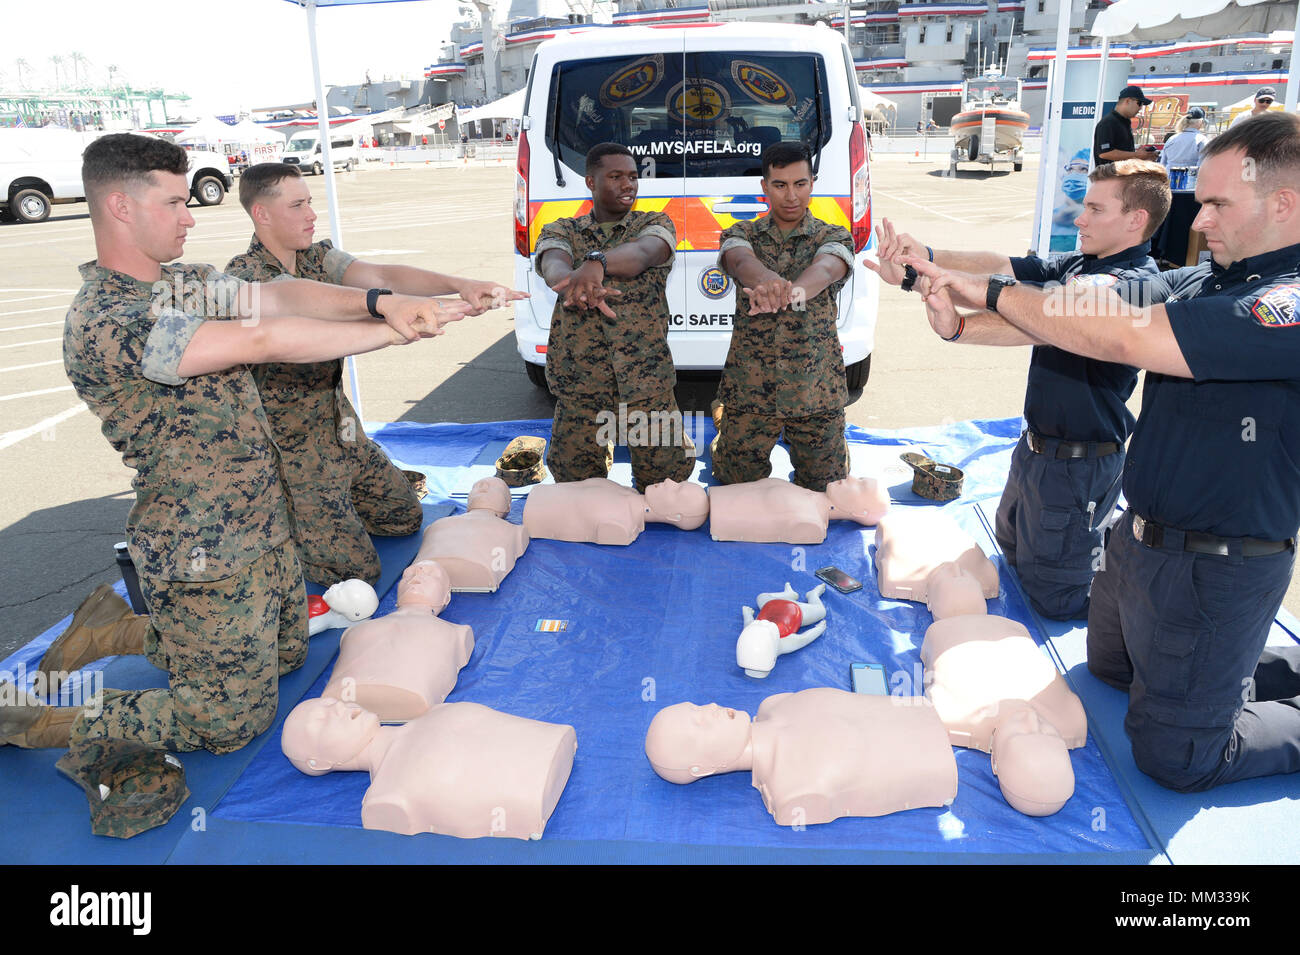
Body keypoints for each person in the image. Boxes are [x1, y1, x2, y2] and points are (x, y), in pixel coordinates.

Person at [0, 133, 469, 755]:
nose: (189, 216)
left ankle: (117, 632)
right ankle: (32, 716)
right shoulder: (105, 321)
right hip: (200, 544)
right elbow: (259, 339)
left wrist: (383, 301)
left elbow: (277, 296)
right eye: (171, 203)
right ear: (120, 207)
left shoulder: (179, 284)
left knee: (284, 655)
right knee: (226, 722)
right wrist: (388, 332)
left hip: (262, 521)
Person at [904, 112, 1300, 793]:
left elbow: (1125, 338)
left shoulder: (1282, 303)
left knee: (1177, 756)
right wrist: (960, 318)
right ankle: (1222, 667)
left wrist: (992, 292)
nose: (1199, 220)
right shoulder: (1211, 279)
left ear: (1283, 204)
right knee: (1113, 669)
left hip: (1221, 565)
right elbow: (1080, 320)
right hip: (1139, 545)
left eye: (1216, 203)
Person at [867, 160, 1171, 619]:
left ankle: (1130, 589)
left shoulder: (1136, 286)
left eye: (1094, 209)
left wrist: (959, 325)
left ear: (1136, 220)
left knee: (1056, 599)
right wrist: (920, 262)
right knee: (1010, 551)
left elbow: (1045, 320)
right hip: (1034, 453)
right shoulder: (1080, 264)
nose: (1079, 218)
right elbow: (1001, 266)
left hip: (1079, 466)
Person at [223, 162, 525, 587]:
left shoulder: (315, 257)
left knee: (403, 517)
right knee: (354, 572)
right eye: (297, 205)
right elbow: (307, 311)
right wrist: (393, 320)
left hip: (340, 431)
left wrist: (460, 284)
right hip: (288, 450)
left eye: (310, 202)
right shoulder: (245, 282)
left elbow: (381, 277)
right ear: (262, 215)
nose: (311, 214)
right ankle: (279, 520)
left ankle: (320, 513)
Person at [534, 142, 695, 489]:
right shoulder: (564, 229)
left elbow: (643, 252)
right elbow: (552, 262)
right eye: (616, 177)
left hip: (645, 380)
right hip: (581, 383)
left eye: (634, 177)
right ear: (591, 182)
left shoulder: (654, 223)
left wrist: (596, 265)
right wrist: (574, 283)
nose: (628, 185)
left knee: (667, 482)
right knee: (574, 481)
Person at [713, 141, 854, 491]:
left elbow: (826, 269)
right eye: (780, 185)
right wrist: (767, 282)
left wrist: (792, 293)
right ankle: (723, 425)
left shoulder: (832, 234)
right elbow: (739, 260)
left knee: (828, 490)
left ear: (812, 184)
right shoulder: (740, 233)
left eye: (800, 184)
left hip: (815, 392)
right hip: (750, 391)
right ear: (764, 187)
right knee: (733, 487)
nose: (791, 196)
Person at [1093, 85, 1159, 166]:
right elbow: (1105, 153)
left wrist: (1140, 154)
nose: (1141, 108)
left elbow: (1121, 151)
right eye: (1139, 103)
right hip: (1109, 177)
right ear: (1128, 101)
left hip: (1121, 176)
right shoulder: (1108, 122)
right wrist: (1136, 155)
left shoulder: (1124, 122)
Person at [1159, 108, 1209, 172]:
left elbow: (1163, 163)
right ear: (1201, 122)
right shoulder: (1202, 140)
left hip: (1170, 177)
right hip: (1189, 179)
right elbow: (1202, 166)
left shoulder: (1171, 139)